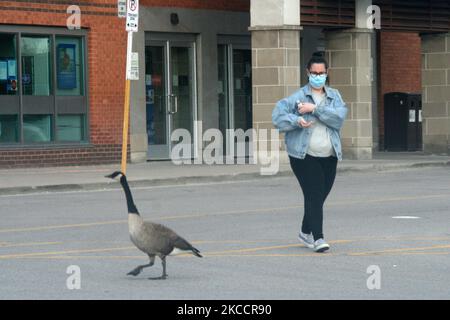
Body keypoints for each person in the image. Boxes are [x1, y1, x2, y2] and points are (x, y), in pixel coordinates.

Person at [272, 55, 348, 253]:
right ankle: (318, 238)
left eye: (321, 73)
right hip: (304, 156)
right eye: (314, 73)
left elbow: (338, 118)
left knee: (319, 196)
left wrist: (314, 108)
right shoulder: (297, 97)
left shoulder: (334, 96)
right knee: (314, 194)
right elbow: (277, 117)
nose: (318, 76)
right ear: (307, 73)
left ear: (327, 73)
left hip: (330, 155)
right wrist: (296, 120)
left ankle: (305, 231)